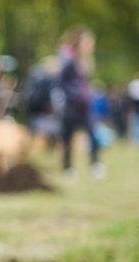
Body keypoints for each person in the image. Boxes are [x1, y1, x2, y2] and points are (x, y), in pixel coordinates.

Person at [58, 25, 105, 180]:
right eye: (87, 42)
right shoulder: (69, 60)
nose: (90, 45)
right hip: (72, 105)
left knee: (93, 134)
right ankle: (68, 168)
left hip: (85, 105)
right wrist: (73, 95)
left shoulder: (87, 60)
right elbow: (61, 81)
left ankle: (95, 164)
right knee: (68, 137)